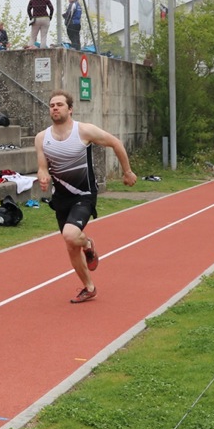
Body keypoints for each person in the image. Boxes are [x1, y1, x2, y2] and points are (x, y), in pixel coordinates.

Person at [36, 90, 136, 303]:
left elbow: (115, 143)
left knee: (71, 235)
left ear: (70, 109)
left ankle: (88, 244)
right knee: (71, 246)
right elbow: (42, 167)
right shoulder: (42, 138)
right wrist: (43, 176)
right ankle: (89, 287)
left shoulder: (84, 131)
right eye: (52, 105)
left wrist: (127, 172)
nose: (55, 108)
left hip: (84, 194)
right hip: (61, 198)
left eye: (59, 105)